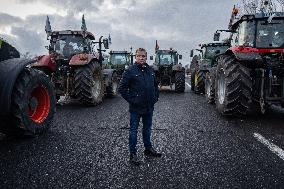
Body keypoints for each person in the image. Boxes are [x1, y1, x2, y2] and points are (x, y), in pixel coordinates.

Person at [118, 48, 161, 165]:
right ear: (135, 57)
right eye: (139, 56)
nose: (141, 58)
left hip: (148, 107)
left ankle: (148, 149)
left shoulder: (150, 70)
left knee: (147, 129)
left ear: (146, 57)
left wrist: (155, 98)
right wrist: (133, 100)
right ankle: (133, 154)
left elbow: (155, 86)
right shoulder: (130, 71)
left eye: (143, 56)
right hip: (136, 108)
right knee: (133, 131)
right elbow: (121, 88)